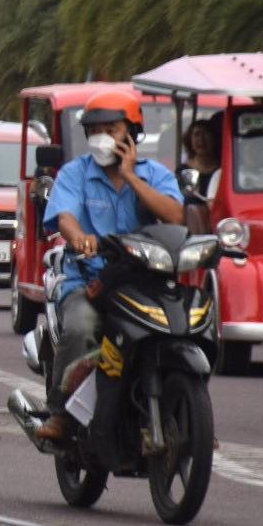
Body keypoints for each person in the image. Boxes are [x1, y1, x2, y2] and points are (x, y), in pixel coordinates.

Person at [36, 89, 184, 441]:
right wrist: (79, 239)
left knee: (181, 331)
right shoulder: (74, 173)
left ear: (132, 132)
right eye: (95, 130)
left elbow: (175, 216)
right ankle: (61, 413)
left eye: (112, 128)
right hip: (89, 283)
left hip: (145, 284)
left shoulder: (156, 175)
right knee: (81, 328)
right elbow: (65, 217)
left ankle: (183, 413)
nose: (103, 136)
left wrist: (131, 175)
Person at [180, 115, 222, 199]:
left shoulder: (223, 169)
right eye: (196, 135)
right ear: (190, 140)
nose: (201, 139)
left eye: (205, 134)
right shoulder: (184, 170)